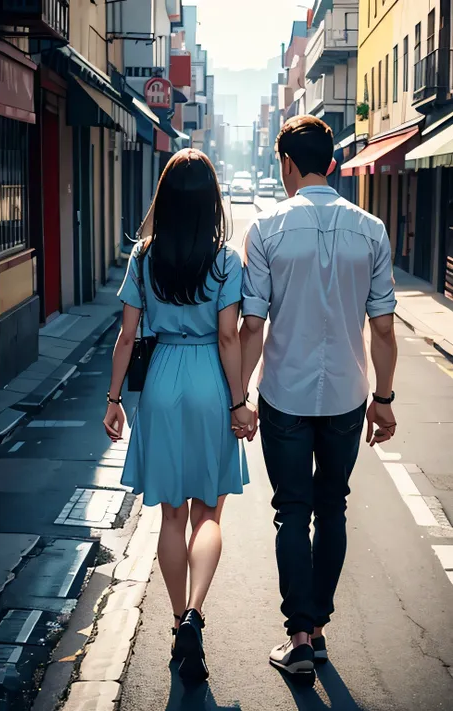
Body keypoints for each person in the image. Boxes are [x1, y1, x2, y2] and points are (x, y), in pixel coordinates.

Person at [240, 116, 398, 681]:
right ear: (331, 164)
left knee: (291, 513)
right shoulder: (372, 230)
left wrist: (240, 397)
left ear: (286, 163)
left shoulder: (265, 230)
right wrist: (383, 398)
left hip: (284, 392)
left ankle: (299, 637)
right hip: (348, 396)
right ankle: (321, 629)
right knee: (333, 507)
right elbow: (382, 329)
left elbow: (250, 326)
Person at [103, 148, 255, 683]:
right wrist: (239, 403)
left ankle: (175, 623)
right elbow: (230, 336)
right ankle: (195, 611)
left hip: (163, 375)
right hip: (210, 381)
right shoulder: (225, 260)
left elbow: (126, 335)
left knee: (169, 514)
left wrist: (114, 398)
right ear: (212, 202)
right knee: (207, 513)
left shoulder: (142, 258)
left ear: (163, 199)